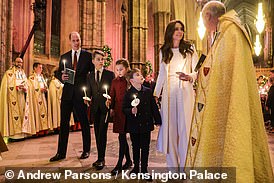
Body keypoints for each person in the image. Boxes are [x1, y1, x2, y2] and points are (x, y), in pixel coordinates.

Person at [185, 1, 274, 182]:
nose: (205, 27)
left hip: (229, 102)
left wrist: (199, 74)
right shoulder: (229, 30)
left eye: (203, 21)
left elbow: (218, 71)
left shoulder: (228, 32)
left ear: (209, 16)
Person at [154, 19, 198, 171]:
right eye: (176, 29)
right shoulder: (163, 51)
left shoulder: (190, 49)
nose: (179, 31)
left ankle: (186, 168)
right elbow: (161, 74)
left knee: (185, 131)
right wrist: (155, 94)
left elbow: (197, 70)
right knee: (170, 131)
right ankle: (173, 169)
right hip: (168, 95)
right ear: (170, 32)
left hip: (185, 93)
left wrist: (190, 76)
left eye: (181, 29)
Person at [50, 31, 94, 162]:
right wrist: (61, 77)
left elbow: (92, 74)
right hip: (67, 94)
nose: (76, 42)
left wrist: (89, 93)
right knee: (64, 124)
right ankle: (61, 153)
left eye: (78, 40)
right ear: (70, 41)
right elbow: (58, 73)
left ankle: (86, 150)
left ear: (80, 40)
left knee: (84, 122)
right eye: (74, 40)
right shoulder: (65, 56)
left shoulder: (87, 56)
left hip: (80, 94)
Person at [123, 68, 161, 177]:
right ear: (131, 81)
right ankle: (136, 167)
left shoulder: (148, 91)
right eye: (138, 75)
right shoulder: (128, 94)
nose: (141, 76)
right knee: (135, 146)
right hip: (134, 125)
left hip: (146, 124)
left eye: (140, 74)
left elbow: (153, 107)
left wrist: (157, 120)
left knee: (145, 147)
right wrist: (131, 110)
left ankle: (144, 169)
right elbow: (124, 108)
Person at [86, 50, 115, 170]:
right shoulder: (90, 75)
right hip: (95, 108)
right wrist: (86, 98)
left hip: (105, 108)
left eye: (102, 59)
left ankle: (101, 159)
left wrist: (111, 101)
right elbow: (88, 91)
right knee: (97, 133)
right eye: (98, 59)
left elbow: (112, 92)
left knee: (102, 133)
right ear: (93, 61)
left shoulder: (109, 74)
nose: (101, 62)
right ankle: (99, 157)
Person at [107, 59, 132, 175]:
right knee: (121, 138)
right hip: (118, 112)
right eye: (117, 70)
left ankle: (121, 163)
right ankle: (127, 161)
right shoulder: (114, 82)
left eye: (121, 69)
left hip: (128, 112)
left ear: (126, 69)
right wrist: (110, 106)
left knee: (124, 138)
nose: (119, 72)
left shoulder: (130, 81)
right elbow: (112, 95)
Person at [0, 57, 28, 140]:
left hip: (21, 96)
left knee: (22, 114)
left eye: (21, 62)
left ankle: (22, 134)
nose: (20, 64)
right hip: (13, 97)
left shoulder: (23, 73)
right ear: (14, 62)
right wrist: (16, 87)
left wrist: (25, 88)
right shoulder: (9, 73)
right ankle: (13, 136)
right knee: (14, 115)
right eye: (18, 62)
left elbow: (27, 84)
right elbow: (6, 86)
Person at [23, 62, 51, 136]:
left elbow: (46, 87)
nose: (41, 69)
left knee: (44, 113)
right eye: (39, 67)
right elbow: (30, 88)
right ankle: (38, 131)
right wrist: (39, 90)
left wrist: (45, 89)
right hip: (36, 100)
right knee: (37, 114)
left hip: (42, 98)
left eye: (41, 68)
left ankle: (45, 129)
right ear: (35, 68)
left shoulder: (42, 77)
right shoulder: (31, 78)